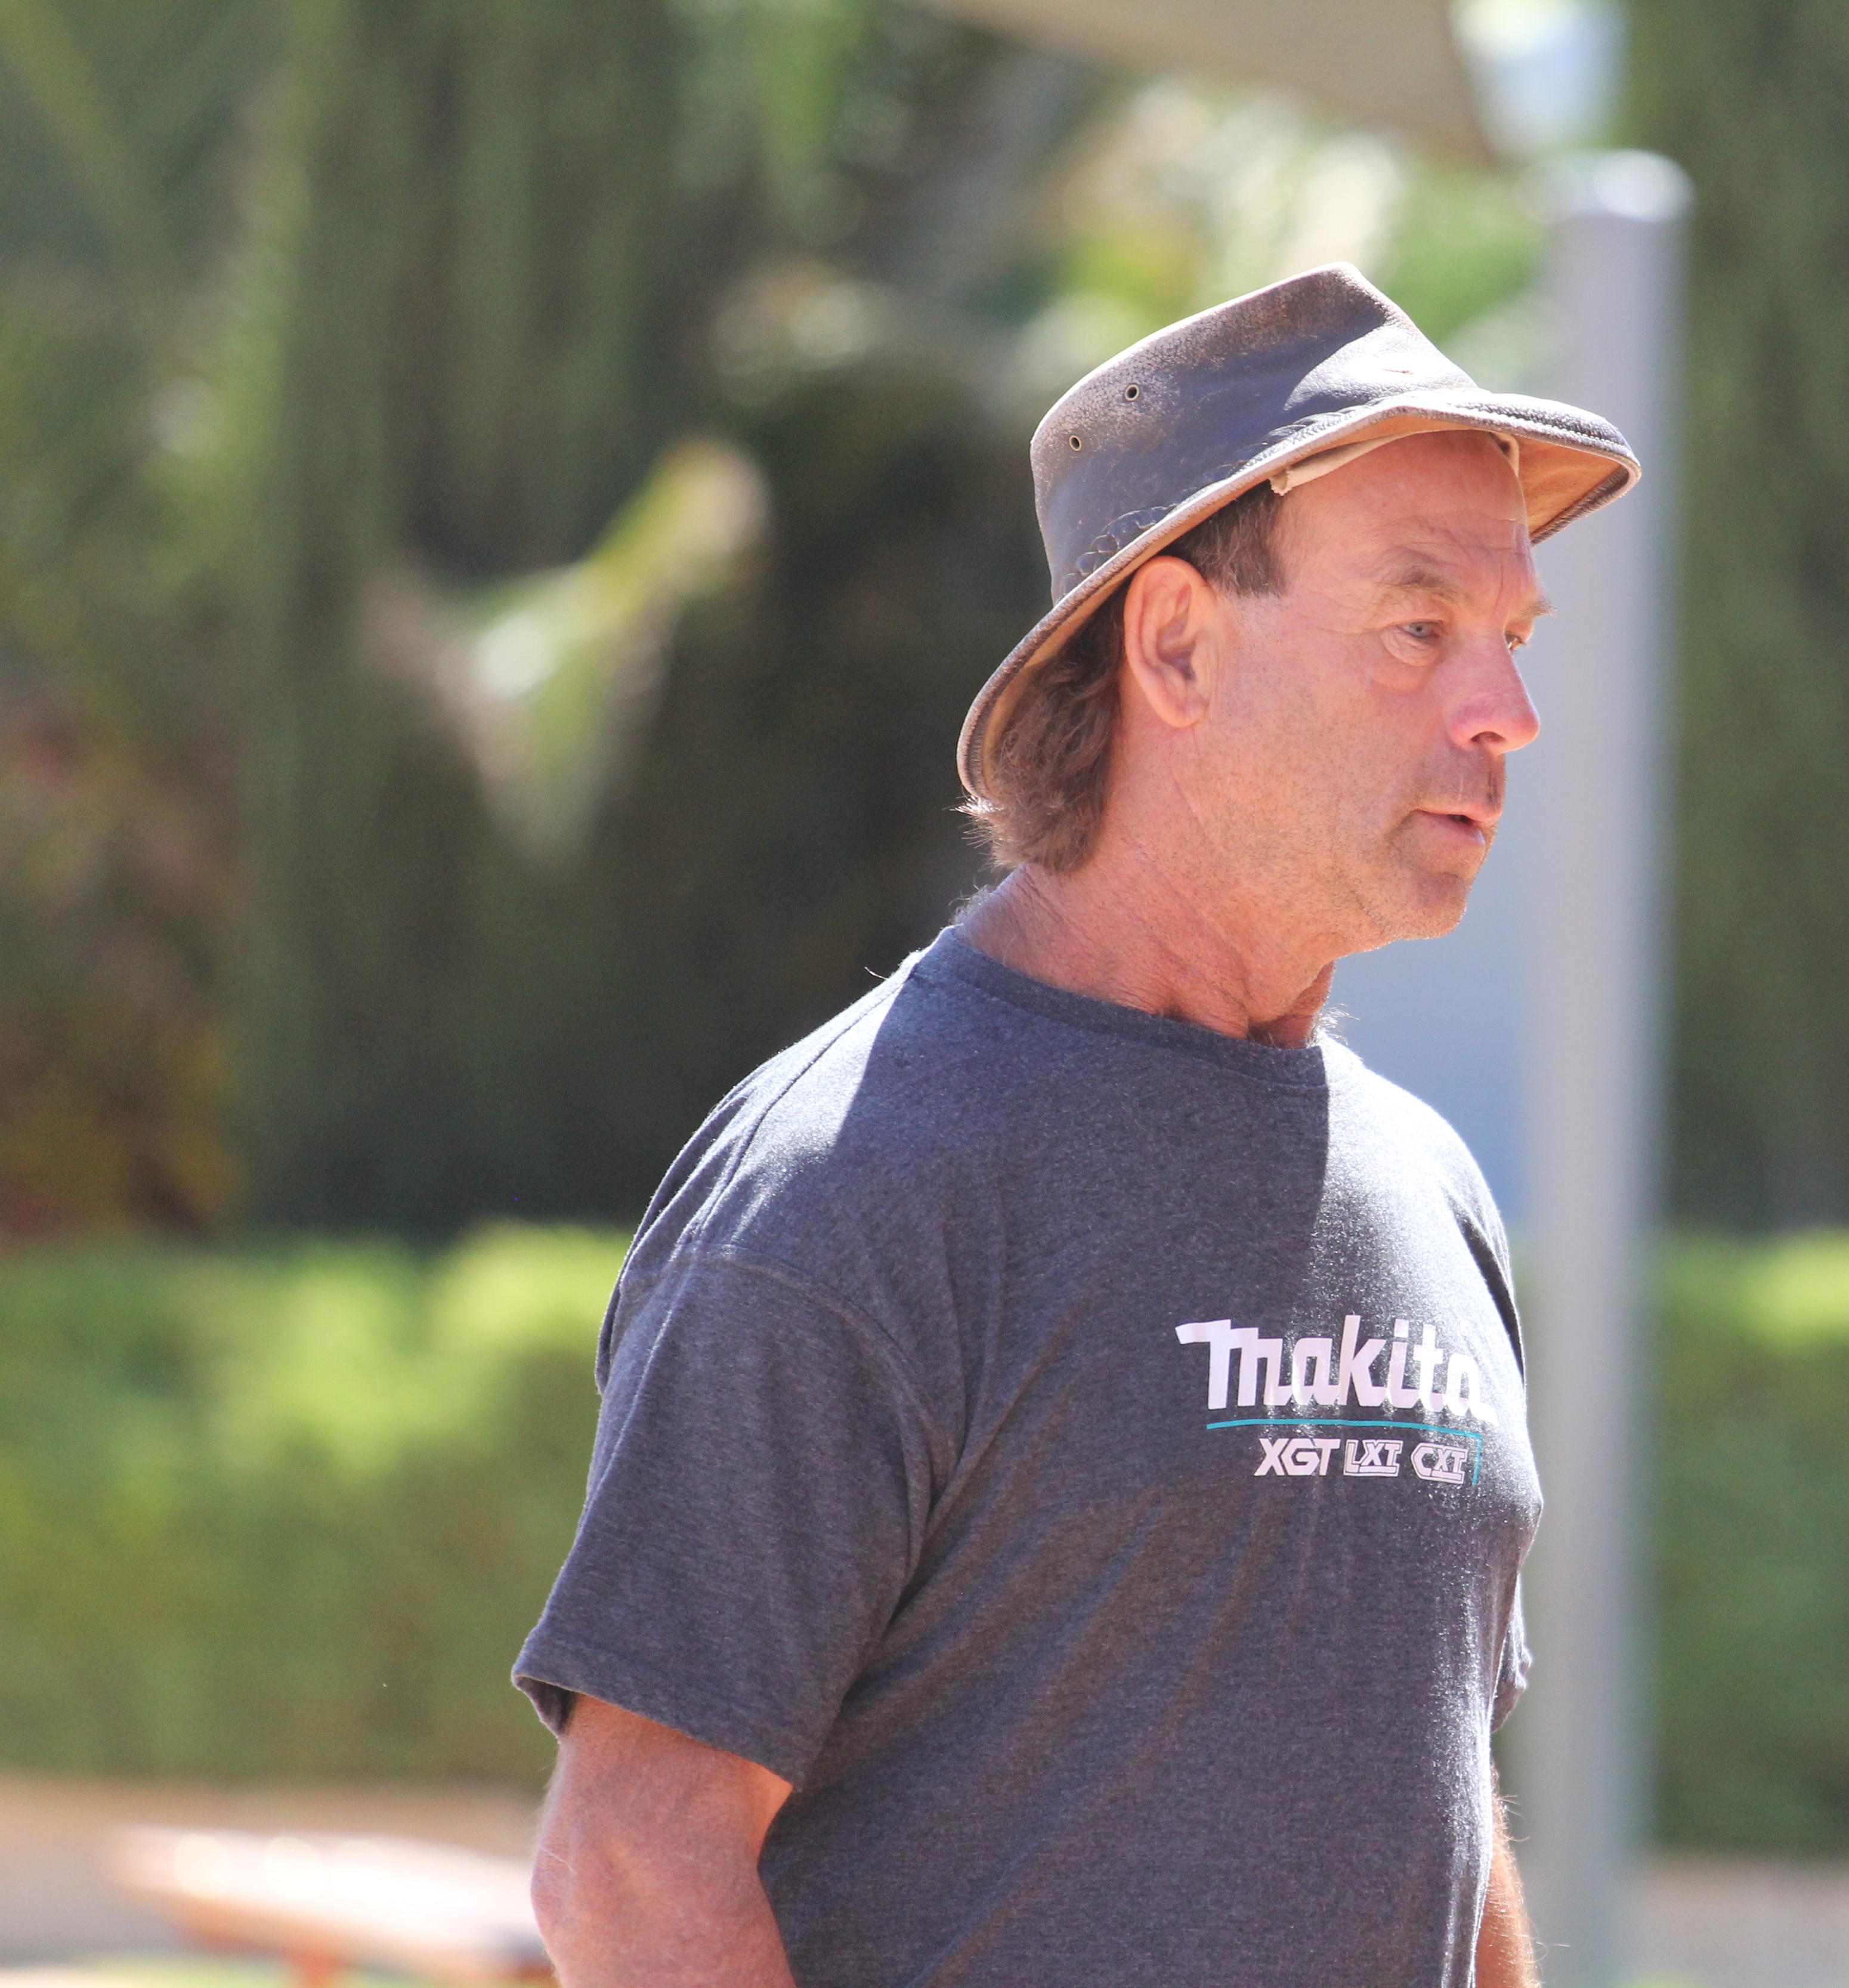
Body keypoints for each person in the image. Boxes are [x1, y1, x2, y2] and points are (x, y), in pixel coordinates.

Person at [511, 262, 1640, 1988]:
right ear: (1177, 642)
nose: (1506, 713)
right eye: (1420, 627)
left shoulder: (1430, 1190)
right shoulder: (855, 1181)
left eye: (1513, 639)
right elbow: (633, 1871)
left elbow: (1441, 1808)